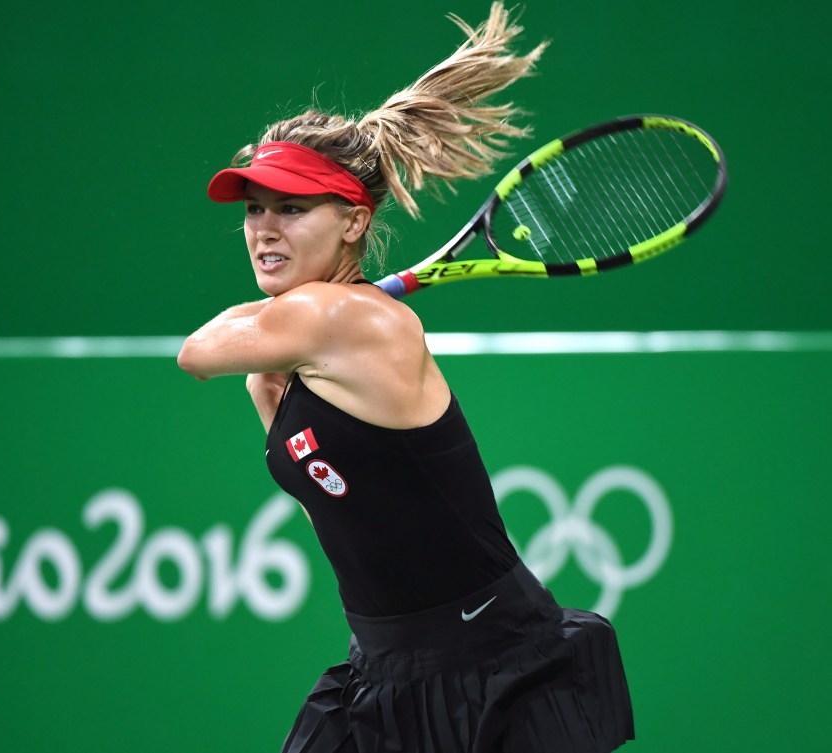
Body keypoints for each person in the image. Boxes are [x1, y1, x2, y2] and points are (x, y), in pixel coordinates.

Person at [177, 3, 634, 751]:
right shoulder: (287, 358)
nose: (263, 228)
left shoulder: (348, 321)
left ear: (353, 221)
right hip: (383, 671)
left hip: (495, 665)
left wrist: (336, 305)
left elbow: (195, 351)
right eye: (255, 210)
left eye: (291, 209)